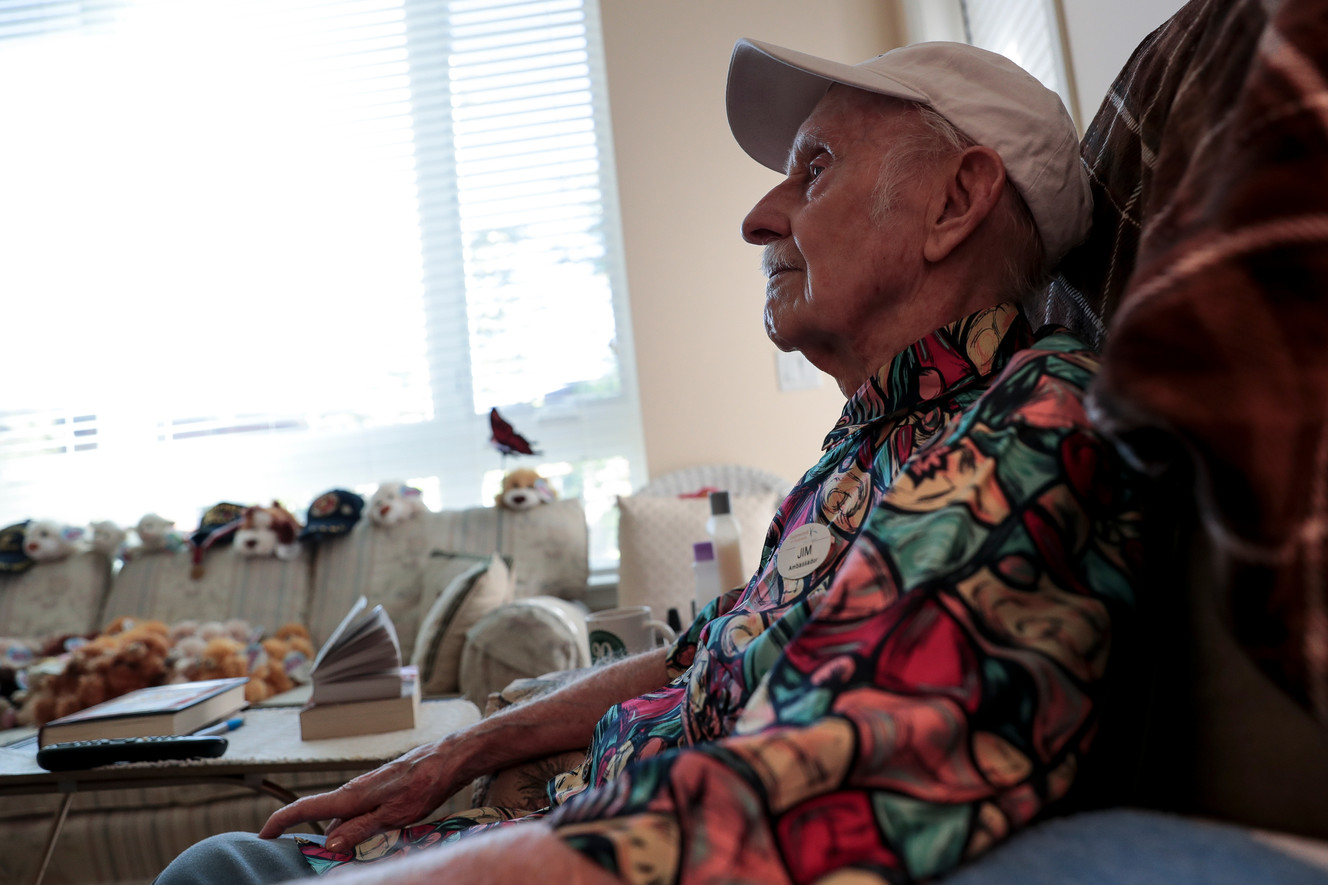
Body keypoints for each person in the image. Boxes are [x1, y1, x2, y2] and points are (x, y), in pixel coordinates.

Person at [157, 38, 1149, 885]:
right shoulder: (872, 436)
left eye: (813, 170)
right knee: (222, 863)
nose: (758, 218)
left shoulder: (1031, 417)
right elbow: (706, 644)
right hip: (550, 823)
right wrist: (451, 754)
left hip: (613, 854)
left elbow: (830, 778)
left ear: (954, 202)